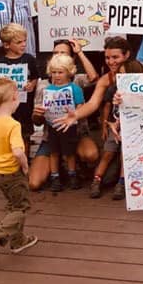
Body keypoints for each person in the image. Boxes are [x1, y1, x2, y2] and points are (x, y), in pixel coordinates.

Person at [28, 39, 99, 190]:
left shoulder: (77, 80)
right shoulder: (43, 85)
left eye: (63, 53)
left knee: (90, 154)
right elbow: (38, 122)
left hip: (75, 133)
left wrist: (79, 52)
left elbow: (94, 78)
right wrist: (37, 114)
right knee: (34, 183)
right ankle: (57, 169)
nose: (57, 56)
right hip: (51, 135)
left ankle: (73, 167)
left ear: (71, 60)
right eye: (55, 53)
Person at [0, 77, 37, 265]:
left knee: (14, 204)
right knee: (21, 207)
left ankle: (18, 241)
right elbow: (18, 151)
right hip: (12, 172)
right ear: (14, 98)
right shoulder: (13, 125)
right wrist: (25, 166)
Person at [0, 23, 38, 158]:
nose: (23, 44)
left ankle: (25, 160)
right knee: (6, 132)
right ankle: (9, 159)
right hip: (6, 108)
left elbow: (35, 77)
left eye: (24, 41)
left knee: (25, 134)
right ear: (7, 45)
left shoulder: (29, 59)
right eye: (19, 42)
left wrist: (31, 85)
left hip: (25, 105)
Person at [40, 54, 85, 192]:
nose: (57, 75)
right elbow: (44, 107)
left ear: (69, 72)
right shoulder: (47, 90)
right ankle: (55, 177)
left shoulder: (75, 89)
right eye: (54, 72)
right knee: (54, 152)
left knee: (69, 152)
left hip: (69, 126)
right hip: (53, 125)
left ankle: (72, 174)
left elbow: (80, 106)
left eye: (60, 72)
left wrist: (75, 114)